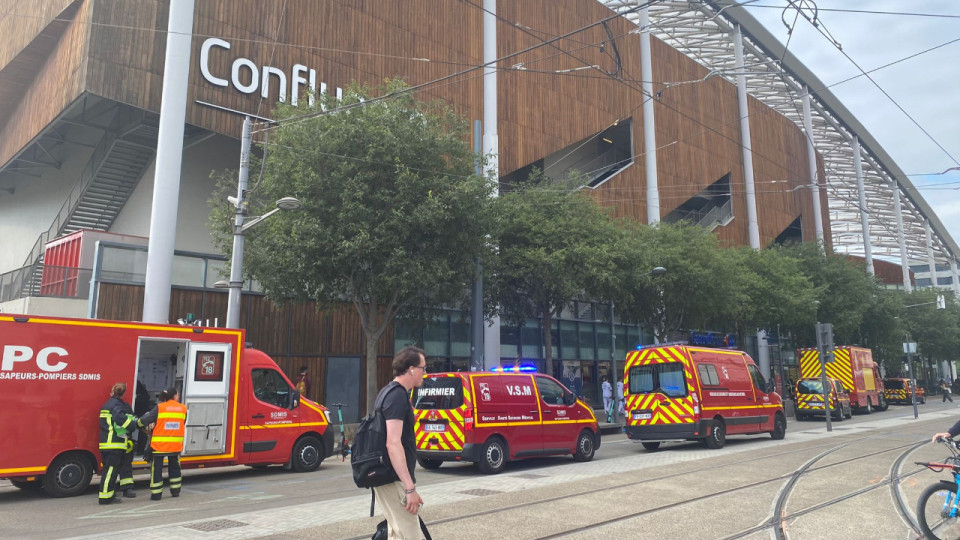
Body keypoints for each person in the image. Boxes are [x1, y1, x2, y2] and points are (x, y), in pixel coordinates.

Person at [372, 346, 427, 540]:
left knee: (397, 534)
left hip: (388, 478)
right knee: (411, 536)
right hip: (393, 478)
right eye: (423, 368)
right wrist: (409, 487)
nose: (424, 373)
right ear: (411, 369)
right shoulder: (397, 396)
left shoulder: (388, 392)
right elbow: (393, 443)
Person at [137, 387, 186, 501]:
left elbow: (146, 420)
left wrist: (137, 424)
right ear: (174, 396)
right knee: (175, 469)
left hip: (159, 446)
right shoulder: (183, 408)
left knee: (157, 470)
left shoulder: (160, 407)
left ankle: (156, 494)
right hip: (175, 446)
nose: (178, 396)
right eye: (178, 394)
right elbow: (182, 422)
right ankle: (175, 491)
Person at [98, 382, 139, 504]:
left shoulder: (107, 404)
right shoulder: (117, 405)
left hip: (107, 443)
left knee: (109, 470)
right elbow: (121, 419)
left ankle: (109, 494)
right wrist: (133, 426)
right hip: (114, 443)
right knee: (110, 471)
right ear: (123, 393)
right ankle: (105, 497)